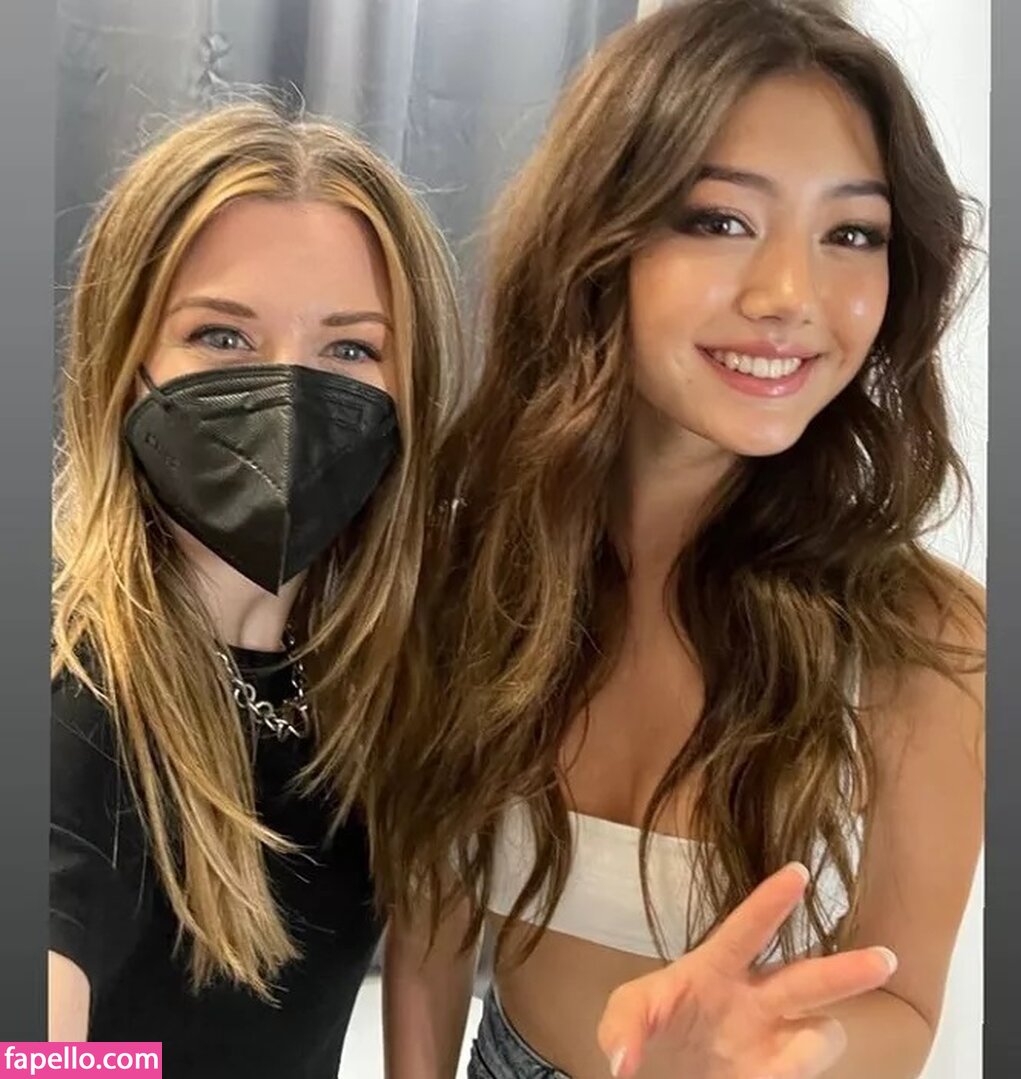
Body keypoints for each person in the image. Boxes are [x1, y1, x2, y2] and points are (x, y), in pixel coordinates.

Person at [369, 2, 986, 1077]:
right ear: (597, 241)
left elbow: (904, 1003)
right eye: (719, 219)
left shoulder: (928, 640)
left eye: (853, 233)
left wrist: (776, 1045)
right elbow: (431, 911)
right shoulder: (477, 567)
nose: (791, 296)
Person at [49, 101, 461, 1078]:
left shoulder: (370, 672)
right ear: (127, 364)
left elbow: (434, 917)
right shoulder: (82, 695)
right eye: (222, 336)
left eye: (350, 349)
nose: (288, 391)